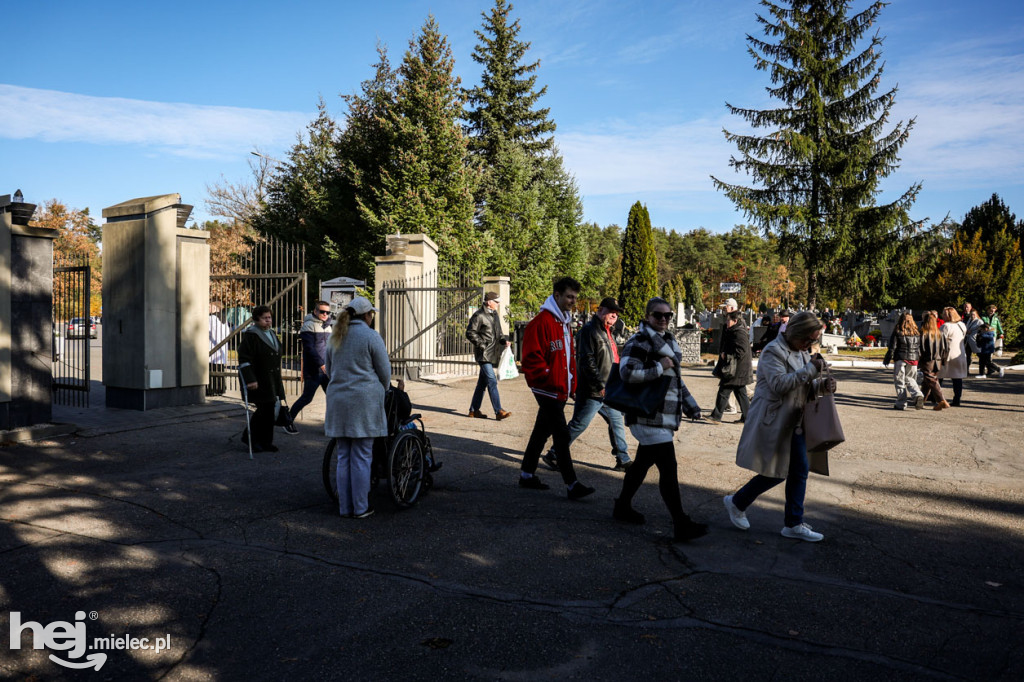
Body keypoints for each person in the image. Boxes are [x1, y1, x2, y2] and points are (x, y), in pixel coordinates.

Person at [723, 311, 837, 542]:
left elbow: (805, 386)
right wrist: (811, 371)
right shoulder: (773, 351)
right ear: (796, 332)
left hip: (796, 420)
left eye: (813, 340)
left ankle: (793, 523)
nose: (810, 344)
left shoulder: (801, 351)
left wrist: (823, 385)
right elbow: (779, 385)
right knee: (776, 472)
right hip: (775, 419)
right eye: (808, 339)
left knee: (798, 470)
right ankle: (737, 502)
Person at [612, 297, 708, 542]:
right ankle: (681, 523)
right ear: (648, 316)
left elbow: (675, 379)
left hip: (661, 415)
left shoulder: (668, 341)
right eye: (658, 315)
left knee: (642, 464)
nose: (664, 319)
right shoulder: (640, 340)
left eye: (668, 316)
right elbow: (626, 372)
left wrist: (691, 406)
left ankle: (622, 506)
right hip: (647, 415)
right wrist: (658, 366)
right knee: (668, 469)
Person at [518, 277, 595, 499]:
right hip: (548, 389)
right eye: (569, 296)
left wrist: (572, 383)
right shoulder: (541, 322)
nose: (573, 301)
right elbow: (531, 358)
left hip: (559, 389)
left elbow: (568, 356)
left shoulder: (563, 321)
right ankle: (572, 484)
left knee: (541, 433)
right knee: (561, 436)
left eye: (575, 297)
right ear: (557, 295)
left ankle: (526, 475)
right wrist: (549, 377)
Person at [543, 297, 632, 472]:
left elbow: (611, 358)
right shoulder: (589, 331)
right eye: (610, 311)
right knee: (578, 424)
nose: (614, 315)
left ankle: (623, 458)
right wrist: (599, 384)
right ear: (600, 311)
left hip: (609, 388)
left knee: (616, 423)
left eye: (616, 312)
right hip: (593, 389)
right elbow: (586, 360)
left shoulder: (608, 331)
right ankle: (554, 454)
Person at [324, 296, 391, 519]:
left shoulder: (335, 336)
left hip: (338, 400)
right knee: (362, 455)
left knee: (343, 455)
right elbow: (384, 373)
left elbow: (330, 371)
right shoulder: (371, 336)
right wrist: (384, 389)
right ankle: (361, 508)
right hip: (364, 401)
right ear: (367, 315)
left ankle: (345, 507)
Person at [238, 305, 286, 453]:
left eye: (269, 317)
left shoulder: (271, 333)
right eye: (265, 318)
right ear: (257, 319)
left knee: (270, 411)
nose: (268, 321)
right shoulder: (251, 335)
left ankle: (266, 442)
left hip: (272, 379)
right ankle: (250, 438)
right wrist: (250, 379)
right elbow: (244, 359)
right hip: (259, 379)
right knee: (263, 410)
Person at [284, 300, 333, 433]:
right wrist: (321, 364)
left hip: (327, 370)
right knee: (307, 397)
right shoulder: (308, 326)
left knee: (333, 398)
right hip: (313, 370)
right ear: (315, 311)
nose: (325, 314)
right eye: (322, 311)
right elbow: (309, 348)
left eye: (327, 312)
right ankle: (287, 421)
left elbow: (330, 348)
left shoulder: (328, 327)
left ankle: (330, 426)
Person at [466, 291, 511, 420]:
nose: (498, 304)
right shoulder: (478, 315)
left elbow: (499, 332)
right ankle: (499, 411)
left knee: (482, 384)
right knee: (492, 380)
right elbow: (470, 332)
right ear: (489, 302)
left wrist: (503, 341)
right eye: (496, 302)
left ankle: (473, 410)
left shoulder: (494, 314)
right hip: (484, 354)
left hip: (492, 354)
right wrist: (481, 345)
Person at [708, 310, 753, 423]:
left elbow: (741, 351)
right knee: (741, 393)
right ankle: (747, 417)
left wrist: (726, 355)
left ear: (735, 321)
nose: (726, 322)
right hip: (738, 368)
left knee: (724, 390)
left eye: (728, 320)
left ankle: (716, 416)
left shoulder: (739, 332)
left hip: (736, 368)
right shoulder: (734, 330)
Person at [882, 312, 925, 410]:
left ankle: (901, 403)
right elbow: (919, 348)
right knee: (911, 379)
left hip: (901, 358)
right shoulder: (916, 332)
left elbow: (892, 347)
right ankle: (917, 395)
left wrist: (887, 359)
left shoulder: (898, 330)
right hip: (914, 359)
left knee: (900, 381)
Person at [919, 311, 950, 410]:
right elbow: (946, 349)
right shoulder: (940, 333)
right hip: (938, 360)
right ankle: (920, 401)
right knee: (927, 381)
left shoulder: (923, 333)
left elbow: (920, 349)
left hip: (927, 361)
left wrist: (918, 360)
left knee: (931, 380)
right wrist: (944, 360)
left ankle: (941, 400)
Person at [939, 307, 968, 407]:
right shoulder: (962, 325)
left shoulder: (945, 326)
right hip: (959, 354)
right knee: (957, 379)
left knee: (939, 376)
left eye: (944, 314)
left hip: (947, 355)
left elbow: (940, 340)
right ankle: (957, 399)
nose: (942, 315)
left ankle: (937, 397)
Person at [207, 302, 230, 397]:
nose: (208, 308)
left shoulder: (211, 318)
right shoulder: (224, 319)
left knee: (211, 369)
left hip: (212, 347)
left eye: (209, 306)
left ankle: (212, 389)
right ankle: (221, 389)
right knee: (220, 369)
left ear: (215, 307)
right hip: (222, 349)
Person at [964, 309, 982, 375]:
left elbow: (982, 330)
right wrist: (967, 331)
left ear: (976, 314)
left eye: (974, 314)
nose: (972, 316)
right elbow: (966, 328)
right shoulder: (969, 320)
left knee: (980, 355)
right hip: (968, 340)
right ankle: (966, 371)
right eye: (971, 314)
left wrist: (974, 332)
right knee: (967, 356)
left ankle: (991, 368)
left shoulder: (979, 321)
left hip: (975, 341)